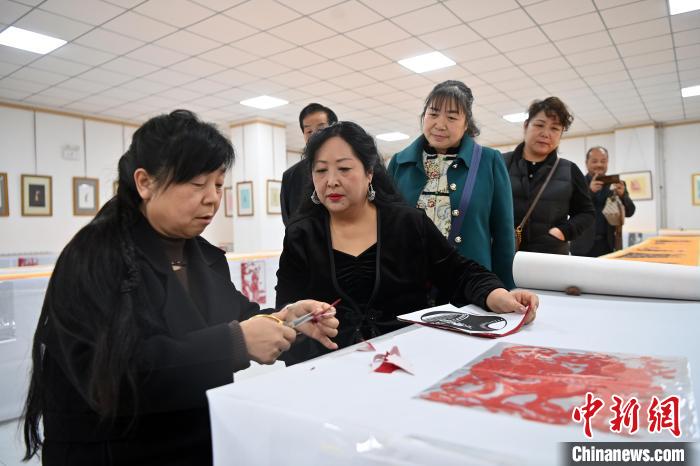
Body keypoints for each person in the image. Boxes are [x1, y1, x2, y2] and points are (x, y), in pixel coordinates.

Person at [22, 110, 339, 466]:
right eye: (197, 184)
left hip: (193, 443)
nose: (212, 198)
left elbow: (238, 317)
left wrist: (286, 320)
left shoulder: (203, 256)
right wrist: (235, 344)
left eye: (218, 185)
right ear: (145, 183)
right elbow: (113, 374)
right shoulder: (96, 257)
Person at [276, 121, 538, 365]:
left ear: (369, 172)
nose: (331, 181)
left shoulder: (407, 223)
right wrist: (294, 323)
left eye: (344, 169)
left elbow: (460, 272)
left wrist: (498, 294)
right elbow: (286, 313)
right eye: (321, 170)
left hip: (409, 361)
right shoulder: (301, 234)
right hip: (331, 368)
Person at [388, 80, 516, 289]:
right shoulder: (400, 163)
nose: (440, 124)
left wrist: (505, 288)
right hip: (408, 282)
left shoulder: (488, 161)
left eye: (452, 117)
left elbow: (503, 234)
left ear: (466, 124)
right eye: (433, 114)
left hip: (469, 284)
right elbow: (386, 227)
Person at [503, 97, 594, 255]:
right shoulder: (500, 163)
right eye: (539, 125)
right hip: (503, 254)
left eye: (555, 128)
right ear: (526, 126)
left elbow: (586, 213)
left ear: (561, 134)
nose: (546, 134)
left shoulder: (570, 170)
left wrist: (562, 232)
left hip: (549, 256)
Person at [571, 146, 636, 257]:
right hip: (582, 246)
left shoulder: (617, 184)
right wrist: (590, 192)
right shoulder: (577, 183)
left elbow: (630, 212)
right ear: (586, 163)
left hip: (609, 245)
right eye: (594, 161)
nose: (599, 164)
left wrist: (622, 195)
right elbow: (571, 209)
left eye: (603, 161)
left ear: (607, 163)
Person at [280, 103, 338, 226]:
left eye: (321, 129)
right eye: (309, 131)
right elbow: (288, 220)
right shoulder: (290, 176)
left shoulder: (349, 165)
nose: (314, 135)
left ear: (335, 130)